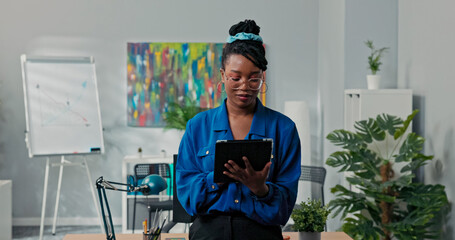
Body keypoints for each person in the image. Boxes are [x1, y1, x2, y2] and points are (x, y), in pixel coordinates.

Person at [176, 19, 301, 240]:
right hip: (208, 233)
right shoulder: (198, 126)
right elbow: (187, 198)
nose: (244, 86)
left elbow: (285, 207)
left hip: (261, 233)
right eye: (235, 77)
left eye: (254, 79)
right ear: (223, 75)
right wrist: (217, 179)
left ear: (263, 77)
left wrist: (261, 189)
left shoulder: (284, 128)